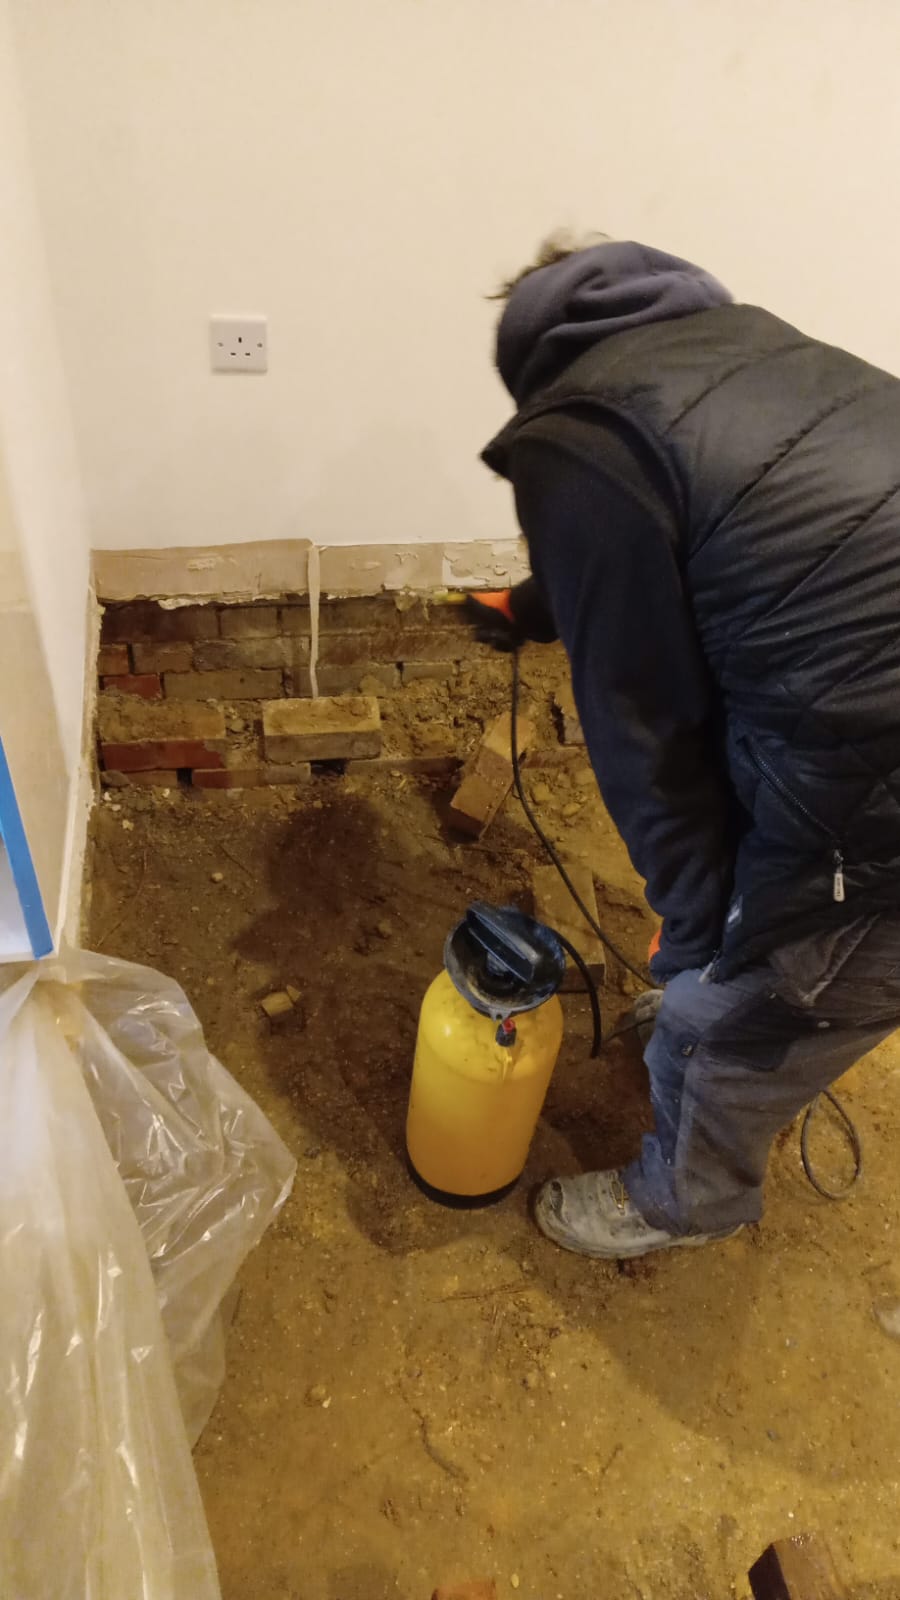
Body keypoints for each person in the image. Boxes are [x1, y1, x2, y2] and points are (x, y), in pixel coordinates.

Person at [473, 235, 900, 1260]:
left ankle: (681, 1201)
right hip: (865, 716)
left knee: (729, 1023)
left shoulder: (580, 439)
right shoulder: (751, 353)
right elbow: (719, 520)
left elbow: (647, 740)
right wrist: (540, 604)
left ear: (537, 361)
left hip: (878, 807)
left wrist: (699, 930)